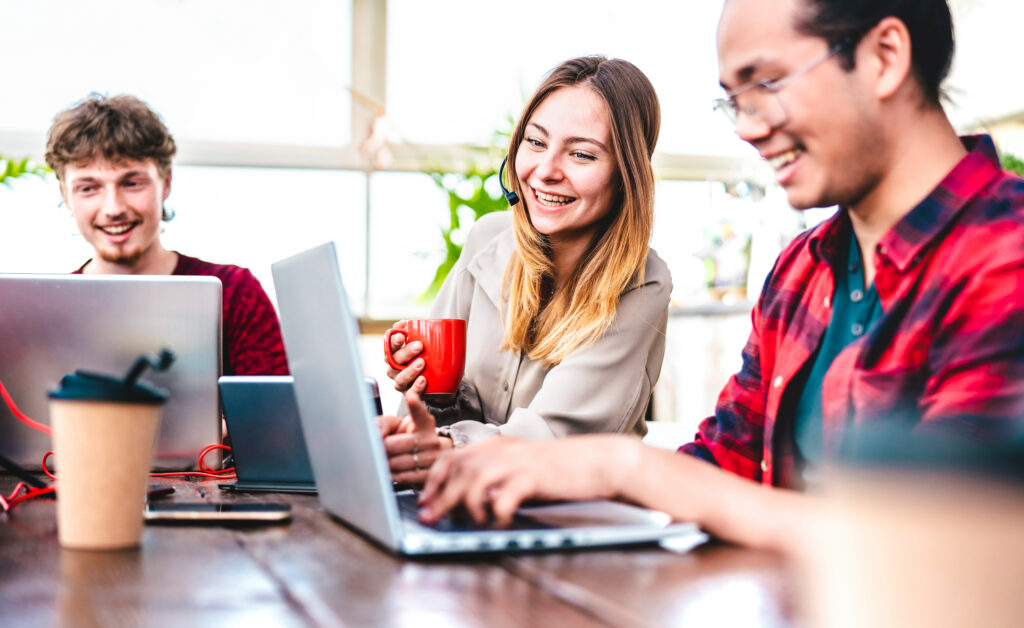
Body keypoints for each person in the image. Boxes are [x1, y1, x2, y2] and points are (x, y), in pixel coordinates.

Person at [415, 0, 1024, 550]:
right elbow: (722, 464)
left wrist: (622, 467)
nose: (749, 128)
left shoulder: (1006, 253)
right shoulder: (803, 271)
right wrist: (547, 468)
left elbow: (939, 541)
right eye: (735, 100)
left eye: (769, 84)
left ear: (884, 58)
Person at [379, 56, 672, 485]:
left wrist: (444, 448)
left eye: (581, 154)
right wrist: (429, 393)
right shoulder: (487, 242)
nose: (546, 171)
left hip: (571, 522)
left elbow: (553, 440)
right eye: (535, 143)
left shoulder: (642, 282)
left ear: (626, 176)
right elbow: (421, 422)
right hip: (461, 502)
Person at [45, 93, 289, 376]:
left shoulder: (233, 294)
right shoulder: (48, 312)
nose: (113, 208)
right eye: (88, 188)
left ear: (166, 182)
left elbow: (275, 418)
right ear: (65, 194)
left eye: (132, 183)